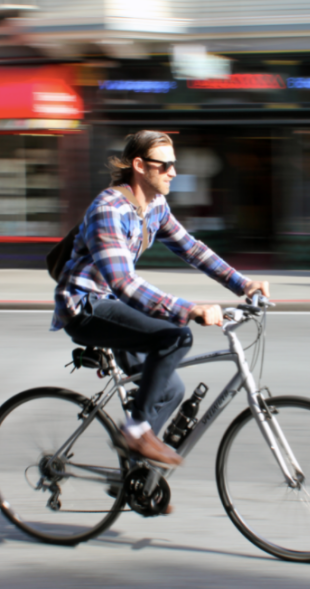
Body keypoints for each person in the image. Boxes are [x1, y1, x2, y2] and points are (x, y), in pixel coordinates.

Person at [51, 130, 270, 471]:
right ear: (139, 166)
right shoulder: (108, 209)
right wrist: (190, 310)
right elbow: (123, 283)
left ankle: (139, 477)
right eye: (164, 165)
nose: (173, 172)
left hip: (113, 306)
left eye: (174, 164)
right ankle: (135, 431)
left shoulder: (154, 207)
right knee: (175, 336)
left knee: (169, 390)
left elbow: (192, 249)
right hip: (85, 307)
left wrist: (243, 284)